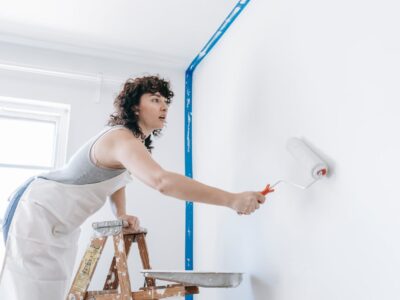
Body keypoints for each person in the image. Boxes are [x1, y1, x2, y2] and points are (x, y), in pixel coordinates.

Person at [0, 75, 271, 300]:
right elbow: (162, 182)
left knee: (49, 291)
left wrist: (121, 213)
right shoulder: (121, 138)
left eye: (165, 102)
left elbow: (116, 180)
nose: (164, 106)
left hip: (60, 223)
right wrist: (231, 199)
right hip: (37, 211)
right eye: (155, 100)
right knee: (29, 293)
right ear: (134, 108)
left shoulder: (132, 145)